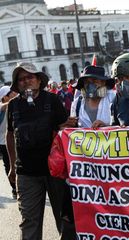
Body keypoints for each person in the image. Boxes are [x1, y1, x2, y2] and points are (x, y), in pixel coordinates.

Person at [6, 62, 76, 239]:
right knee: (29, 220)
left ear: (38, 80)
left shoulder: (52, 100)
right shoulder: (13, 106)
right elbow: (9, 135)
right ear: (17, 84)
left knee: (65, 218)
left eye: (30, 77)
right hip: (26, 173)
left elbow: (65, 130)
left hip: (55, 172)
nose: (26, 81)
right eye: (21, 79)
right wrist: (12, 167)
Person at [0, 86, 17, 199]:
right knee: (8, 166)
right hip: (3, 143)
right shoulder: (2, 106)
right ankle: (14, 188)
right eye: (12, 93)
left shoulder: (16, 105)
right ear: (5, 97)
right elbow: (3, 107)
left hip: (17, 141)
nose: (15, 93)